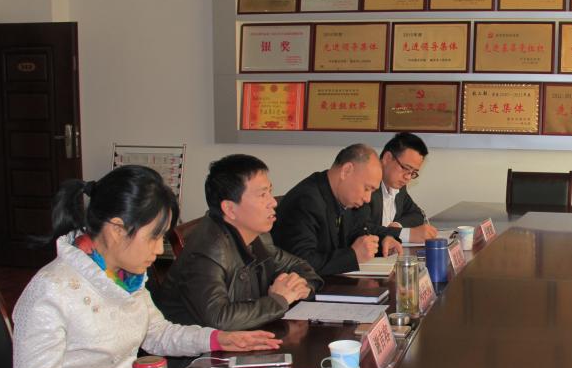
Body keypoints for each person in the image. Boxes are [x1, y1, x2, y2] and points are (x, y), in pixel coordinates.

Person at [6, 166, 280, 368]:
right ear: (116, 229)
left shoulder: (124, 277)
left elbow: (156, 332)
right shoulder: (51, 292)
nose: (159, 249)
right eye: (153, 236)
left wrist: (216, 338)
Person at [154, 154, 321, 330]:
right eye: (262, 194)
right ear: (230, 209)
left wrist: (302, 287)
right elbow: (219, 318)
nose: (273, 202)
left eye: (270, 192)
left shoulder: (258, 236)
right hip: (195, 346)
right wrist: (279, 300)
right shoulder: (206, 252)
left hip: (244, 337)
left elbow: (300, 267)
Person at [272, 144, 403, 276]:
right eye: (366, 188)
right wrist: (352, 256)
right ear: (346, 171)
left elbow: (359, 232)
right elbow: (300, 264)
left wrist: (382, 241)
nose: (368, 199)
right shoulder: (305, 201)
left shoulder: (345, 199)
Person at [368, 132, 438, 243]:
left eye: (413, 172)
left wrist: (397, 225)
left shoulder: (399, 188)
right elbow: (362, 229)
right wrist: (405, 234)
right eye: (406, 168)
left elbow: (416, 214)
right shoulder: (365, 186)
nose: (408, 177)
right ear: (387, 158)